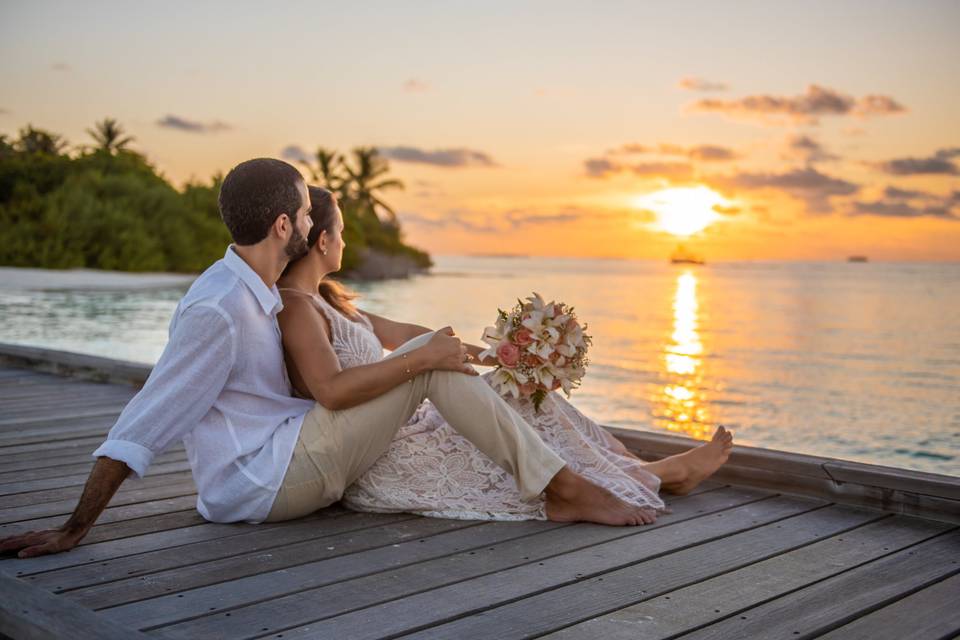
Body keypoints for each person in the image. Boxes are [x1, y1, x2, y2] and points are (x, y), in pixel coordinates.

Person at [0, 159, 672, 561]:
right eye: (303, 208)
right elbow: (146, 419)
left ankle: (579, 479)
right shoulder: (218, 309)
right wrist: (72, 528)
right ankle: (564, 490)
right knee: (425, 362)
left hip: (289, 459)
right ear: (285, 227)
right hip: (269, 480)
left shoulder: (259, 290)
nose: (315, 221)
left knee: (426, 356)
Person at [271, 186, 734, 524]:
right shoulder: (296, 308)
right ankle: (615, 483)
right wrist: (427, 359)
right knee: (489, 401)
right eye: (343, 233)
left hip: (403, 420)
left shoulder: (331, 302)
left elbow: (412, 334)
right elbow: (330, 391)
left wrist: (500, 358)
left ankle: (646, 472)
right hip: (375, 450)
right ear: (324, 240)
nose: (346, 242)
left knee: (517, 390)